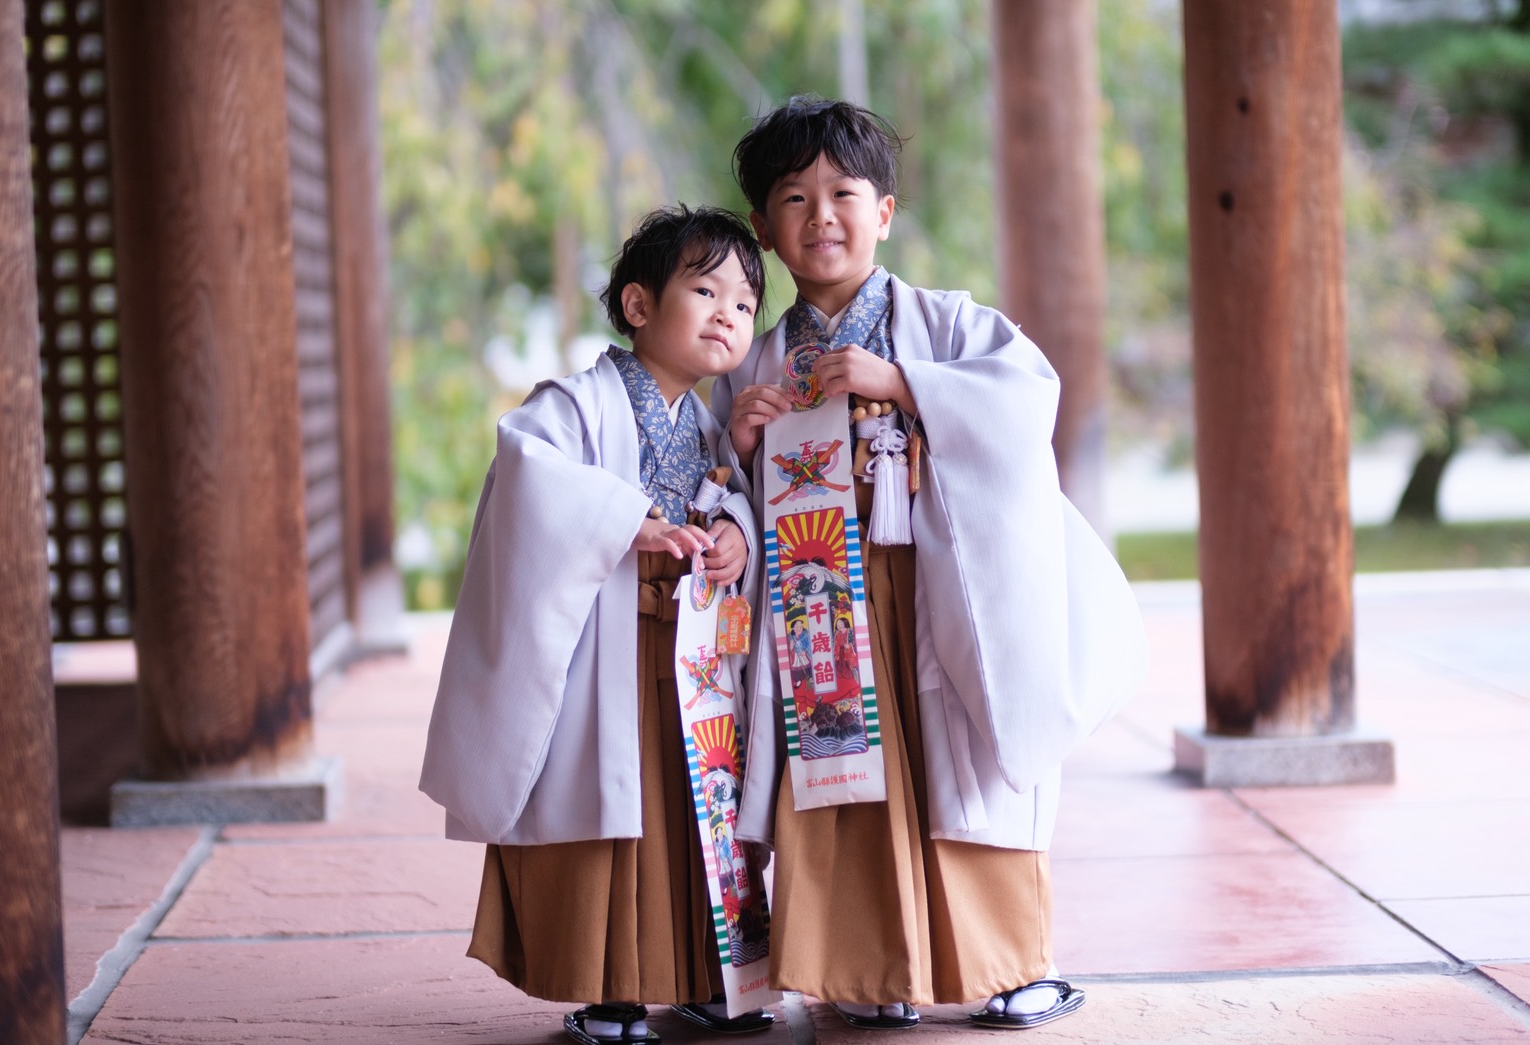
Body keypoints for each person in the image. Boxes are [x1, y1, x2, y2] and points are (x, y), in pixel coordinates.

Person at [714, 97, 1148, 1031]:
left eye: (843, 192)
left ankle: (1012, 965)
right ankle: (868, 972)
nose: (820, 215)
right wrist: (738, 449)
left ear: (886, 211)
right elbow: (715, 493)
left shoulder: (948, 326)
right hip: (818, 602)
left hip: (937, 590)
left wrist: (905, 382)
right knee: (837, 779)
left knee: (970, 771)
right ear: (762, 226)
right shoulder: (751, 363)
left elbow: (1026, 401)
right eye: (793, 198)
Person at [420, 205, 777, 1044]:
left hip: (691, 659)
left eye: (744, 301)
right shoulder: (573, 405)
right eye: (704, 289)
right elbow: (527, 476)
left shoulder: (708, 424)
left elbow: (731, 502)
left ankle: (701, 976)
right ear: (638, 306)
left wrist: (733, 529)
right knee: (615, 814)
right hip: (604, 655)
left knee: (698, 815)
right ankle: (610, 989)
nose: (729, 313)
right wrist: (627, 521)